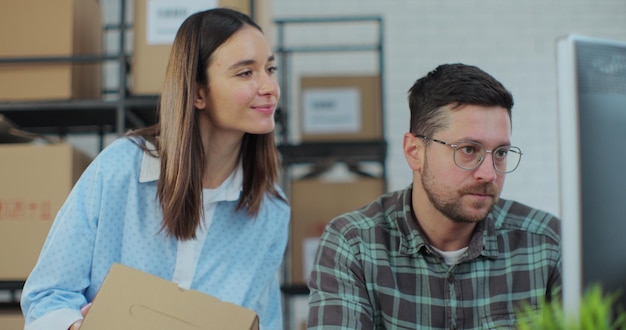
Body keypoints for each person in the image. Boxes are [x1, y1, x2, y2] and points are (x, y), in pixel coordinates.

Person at [21, 7, 289, 330]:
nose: (269, 87)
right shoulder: (120, 170)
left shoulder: (270, 210)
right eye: (246, 73)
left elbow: (265, 321)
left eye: (270, 69)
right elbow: (47, 296)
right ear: (198, 92)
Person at [307, 63, 561, 329]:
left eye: (500, 153)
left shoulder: (547, 245)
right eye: (468, 150)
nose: (489, 174)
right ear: (415, 151)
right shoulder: (354, 244)